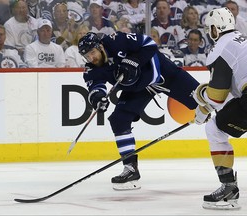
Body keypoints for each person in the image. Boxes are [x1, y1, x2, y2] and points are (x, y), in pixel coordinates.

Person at [78, 31, 199, 190]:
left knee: (206, 101)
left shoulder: (116, 40)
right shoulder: (92, 68)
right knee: (118, 119)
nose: (91, 58)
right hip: (138, 89)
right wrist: (97, 98)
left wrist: (133, 60)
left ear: (100, 46)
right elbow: (95, 86)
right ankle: (130, 169)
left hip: (166, 74)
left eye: (92, 53)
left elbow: (149, 44)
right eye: (87, 56)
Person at [192, 7, 247, 210]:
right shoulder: (242, 39)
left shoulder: (220, 47)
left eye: (210, 29)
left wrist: (202, 102)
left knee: (214, 129)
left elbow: (217, 96)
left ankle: (228, 188)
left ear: (214, 29)